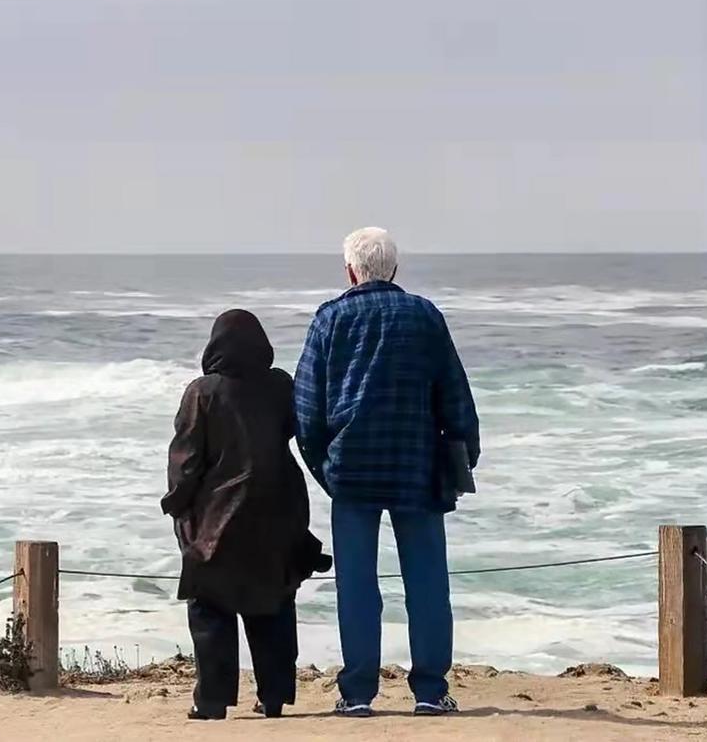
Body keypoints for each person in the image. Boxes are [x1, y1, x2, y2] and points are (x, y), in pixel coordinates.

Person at [294, 227, 480, 718]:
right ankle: (431, 691)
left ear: (350, 271)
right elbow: (454, 393)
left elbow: (307, 408)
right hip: (416, 467)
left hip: (352, 471)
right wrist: (466, 453)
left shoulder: (330, 318)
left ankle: (357, 694)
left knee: (357, 585)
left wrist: (325, 469)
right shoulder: (424, 315)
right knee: (427, 582)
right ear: (394, 269)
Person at [162, 309, 327, 721]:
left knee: (210, 607)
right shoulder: (279, 386)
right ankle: (273, 698)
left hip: (216, 520)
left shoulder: (202, 392)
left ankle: (213, 701)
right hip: (279, 512)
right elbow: (298, 430)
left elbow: (186, 461)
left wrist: (177, 505)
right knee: (273, 603)